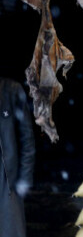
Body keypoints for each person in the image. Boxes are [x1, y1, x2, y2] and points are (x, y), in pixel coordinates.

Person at [0, 77, 35, 237]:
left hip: (7, 178)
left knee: (10, 230)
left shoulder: (12, 91)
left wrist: (24, 180)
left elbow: (27, 139)